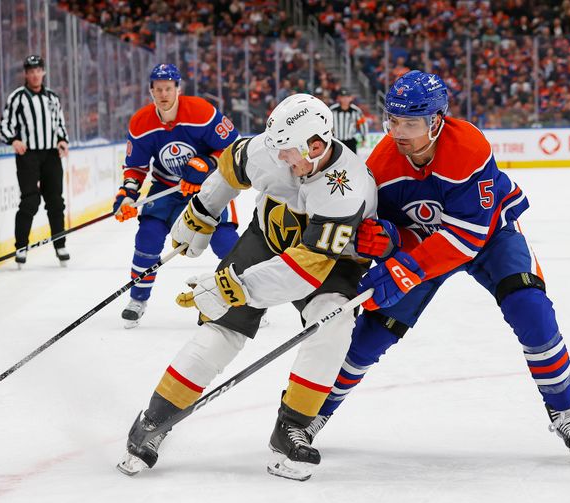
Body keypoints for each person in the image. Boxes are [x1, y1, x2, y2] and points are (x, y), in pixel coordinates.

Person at [307, 71, 570, 464]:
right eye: (392, 120)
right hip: (425, 245)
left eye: (410, 123)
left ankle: (564, 411)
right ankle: (309, 416)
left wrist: (405, 269)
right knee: (372, 334)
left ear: (437, 121)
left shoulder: (468, 146)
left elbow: (468, 237)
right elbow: (391, 227)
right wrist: (387, 239)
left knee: (529, 307)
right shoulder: (381, 165)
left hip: (489, 237)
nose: (398, 132)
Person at [116, 94, 378, 481]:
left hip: (330, 262)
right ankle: (156, 417)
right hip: (268, 237)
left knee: (332, 324)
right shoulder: (273, 149)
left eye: (288, 152)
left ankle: (293, 425)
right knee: (222, 327)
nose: (281, 159)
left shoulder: (349, 186)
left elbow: (306, 269)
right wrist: (202, 212)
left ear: (316, 145)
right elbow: (230, 167)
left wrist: (231, 286)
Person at [112, 63, 240, 328]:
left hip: (209, 187)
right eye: (158, 89)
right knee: (148, 236)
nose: (164, 94)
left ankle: (248, 302)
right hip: (165, 187)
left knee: (224, 241)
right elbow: (135, 167)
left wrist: (207, 165)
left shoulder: (202, 112)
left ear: (178, 89)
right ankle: (138, 299)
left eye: (168, 88)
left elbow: (233, 147)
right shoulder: (140, 122)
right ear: (151, 92)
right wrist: (127, 196)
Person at [0, 55, 70, 267]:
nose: (35, 74)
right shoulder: (17, 97)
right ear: (26, 74)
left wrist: (63, 141)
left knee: (55, 201)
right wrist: (14, 140)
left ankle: (60, 245)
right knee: (30, 201)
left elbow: (60, 124)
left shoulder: (53, 98)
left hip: (51, 155)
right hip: (28, 155)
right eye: (31, 71)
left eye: (38, 70)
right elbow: (4, 125)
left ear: (43, 72)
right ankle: (21, 247)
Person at [329, 88, 368, 154]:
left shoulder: (356, 111)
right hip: (336, 142)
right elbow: (327, 123)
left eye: (347, 97)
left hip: (350, 142)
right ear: (339, 98)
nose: (345, 99)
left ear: (351, 98)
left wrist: (363, 138)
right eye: (343, 97)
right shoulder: (332, 110)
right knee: (336, 162)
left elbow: (363, 125)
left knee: (352, 162)